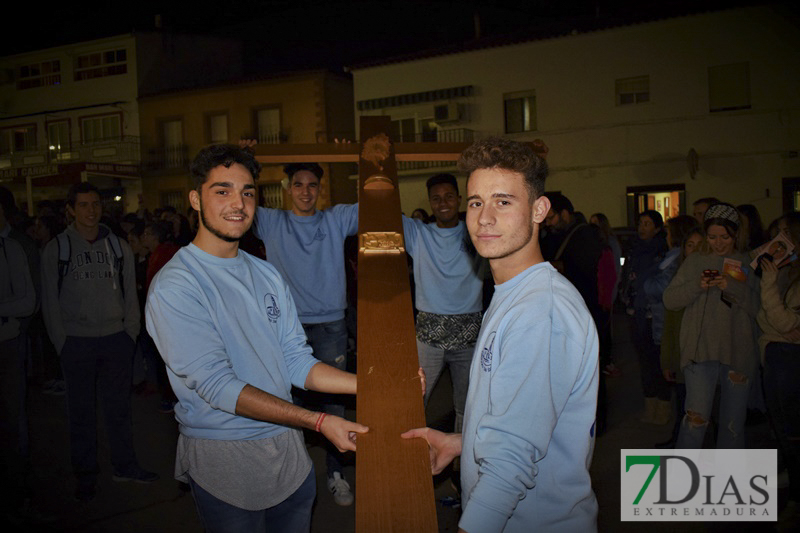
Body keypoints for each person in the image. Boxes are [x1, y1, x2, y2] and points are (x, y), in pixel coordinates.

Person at [146, 144, 368, 531]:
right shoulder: (177, 285)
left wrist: (373, 384)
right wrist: (317, 422)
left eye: (248, 192)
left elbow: (296, 361)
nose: (239, 203)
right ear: (196, 199)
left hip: (289, 457)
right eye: (223, 190)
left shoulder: (266, 274)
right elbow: (218, 386)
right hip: (225, 459)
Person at [403, 137, 599, 532]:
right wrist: (461, 443)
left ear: (539, 210)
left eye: (503, 201)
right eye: (476, 202)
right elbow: (524, 421)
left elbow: (511, 464)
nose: (484, 217)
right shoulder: (512, 292)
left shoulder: (539, 312)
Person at [40, 182, 157, 502]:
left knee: (119, 409)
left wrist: (130, 332)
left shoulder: (118, 246)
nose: (91, 210)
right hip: (77, 341)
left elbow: (130, 295)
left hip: (115, 339)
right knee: (80, 413)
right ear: (71, 209)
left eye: (95, 204)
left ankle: (125, 464)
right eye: (83, 205)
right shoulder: (58, 249)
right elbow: (50, 301)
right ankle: (85, 474)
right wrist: (61, 342)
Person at [252, 161, 358, 505]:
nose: (306, 191)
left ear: (320, 189)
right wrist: (248, 160)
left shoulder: (335, 219)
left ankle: (336, 473)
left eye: (312, 185)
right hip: (287, 326)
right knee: (286, 401)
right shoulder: (271, 221)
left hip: (330, 324)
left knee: (335, 402)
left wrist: (362, 156)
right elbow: (240, 198)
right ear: (287, 188)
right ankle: (289, 476)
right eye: (298, 184)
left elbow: (376, 198)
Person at [664, 203, 760, 449]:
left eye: (724, 237)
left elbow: (759, 309)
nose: (718, 243)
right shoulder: (695, 261)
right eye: (712, 237)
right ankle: (682, 480)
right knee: (696, 420)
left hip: (738, 351)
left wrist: (733, 287)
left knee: (732, 425)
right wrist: (698, 285)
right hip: (700, 352)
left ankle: (728, 480)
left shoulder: (748, 261)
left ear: (736, 234)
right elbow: (670, 300)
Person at [402, 173, 487, 433]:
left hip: (469, 331)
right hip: (429, 331)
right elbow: (381, 207)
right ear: (430, 202)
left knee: (467, 404)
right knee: (414, 401)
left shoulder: (477, 233)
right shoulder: (418, 234)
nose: (443, 203)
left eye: (449, 196)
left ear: (460, 199)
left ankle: (463, 467)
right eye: (436, 198)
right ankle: (412, 464)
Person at [758, 212, 800, 503]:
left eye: (785, 233)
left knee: (792, 430)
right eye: (776, 234)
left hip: (790, 358)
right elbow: (768, 319)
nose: (779, 241)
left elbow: (785, 323)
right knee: (782, 427)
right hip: (776, 352)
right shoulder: (786, 270)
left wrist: (768, 285)